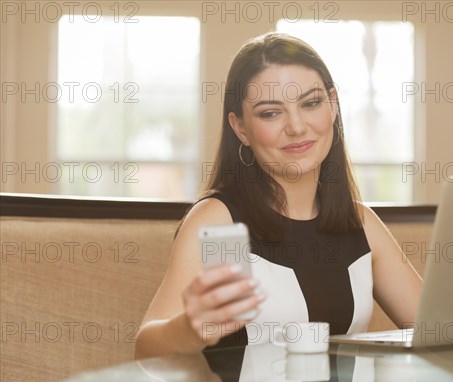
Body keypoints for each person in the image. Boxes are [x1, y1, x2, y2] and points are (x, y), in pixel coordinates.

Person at [134, 32, 422, 359]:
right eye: (271, 113)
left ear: (333, 106)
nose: (297, 127)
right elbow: (147, 353)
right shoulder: (222, 224)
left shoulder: (360, 222)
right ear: (241, 128)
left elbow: (438, 330)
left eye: (311, 103)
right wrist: (189, 328)